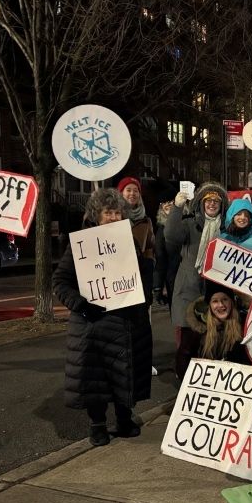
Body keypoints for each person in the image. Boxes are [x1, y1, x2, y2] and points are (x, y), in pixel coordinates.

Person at [53, 188, 151, 446]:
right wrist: (82, 306)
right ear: (97, 215)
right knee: (95, 379)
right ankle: (97, 425)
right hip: (93, 324)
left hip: (126, 321)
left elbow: (140, 279)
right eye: (108, 212)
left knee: (125, 373)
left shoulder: (129, 243)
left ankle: (124, 418)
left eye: (117, 212)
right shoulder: (81, 245)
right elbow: (60, 282)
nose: (113, 217)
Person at [165, 180, 229, 360]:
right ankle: (184, 374)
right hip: (188, 289)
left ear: (222, 206)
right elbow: (171, 236)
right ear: (201, 203)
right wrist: (177, 209)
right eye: (208, 200)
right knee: (187, 341)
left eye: (216, 201)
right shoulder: (189, 224)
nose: (212, 204)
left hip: (214, 290)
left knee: (211, 338)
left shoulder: (225, 229)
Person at [175, 281, 251, 379]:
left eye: (225, 299)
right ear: (209, 305)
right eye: (215, 301)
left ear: (231, 302)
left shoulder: (244, 325)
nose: (221, 305)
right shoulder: (196, 329)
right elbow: (183, 361)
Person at [117, 176, 156, 301]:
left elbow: (150, 247)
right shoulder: (113, 217)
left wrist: (148, 264)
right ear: (121, 192)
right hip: (117, 275)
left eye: (136, 190)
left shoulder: (146, 220)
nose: (132, 193)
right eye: (128, 190)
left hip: (139, 276)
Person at [153, 192, 180, 306]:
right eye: (164, 202)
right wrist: (158, 286)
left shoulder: (187, 222)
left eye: (171, 201)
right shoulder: (161, 230)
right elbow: (160, 260)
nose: (168, 204)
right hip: (172, 279)